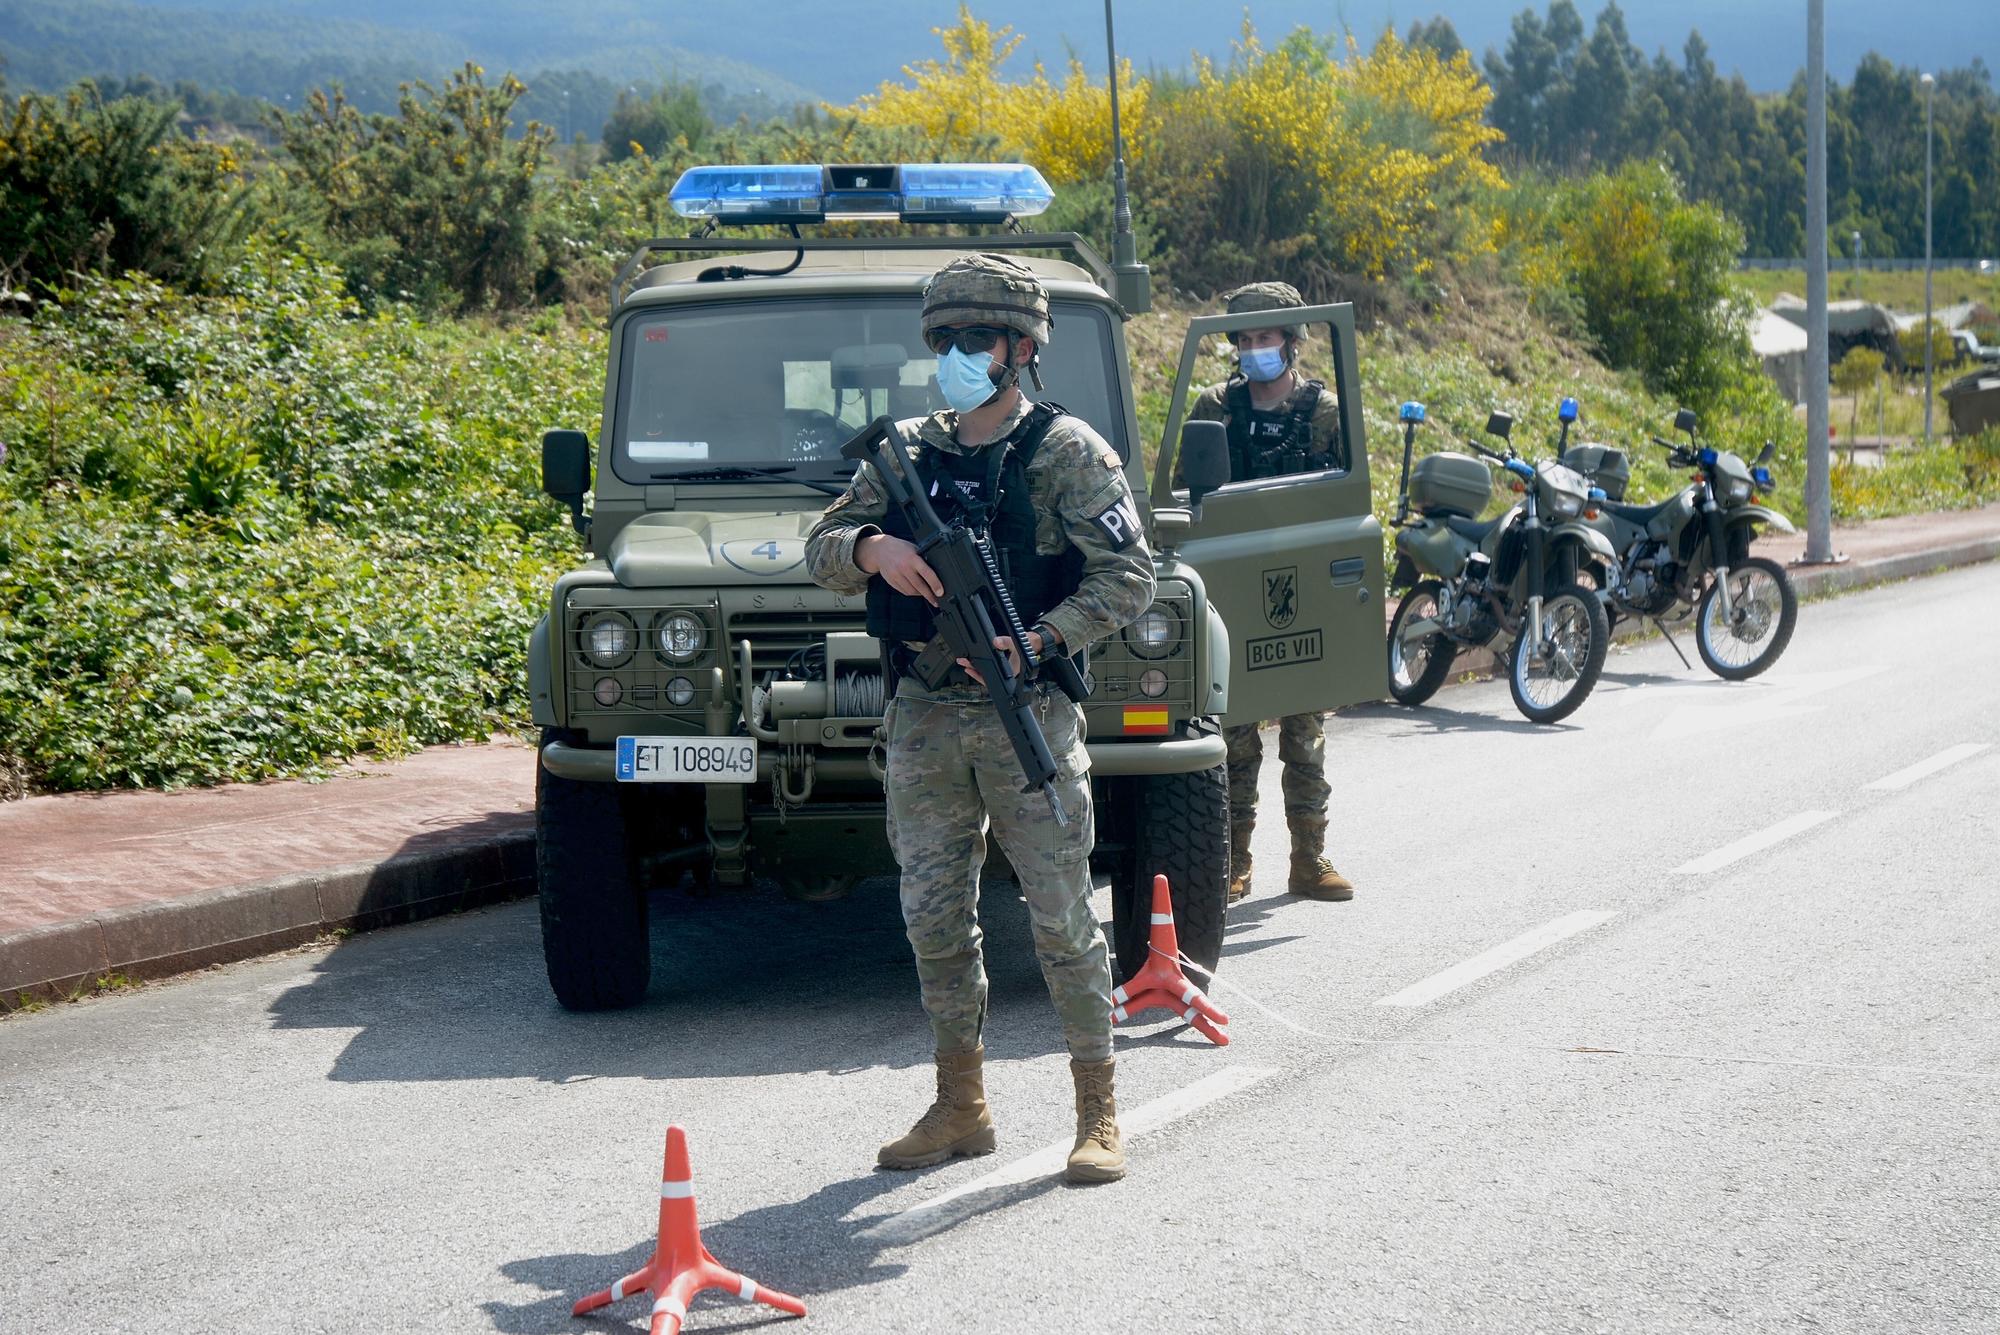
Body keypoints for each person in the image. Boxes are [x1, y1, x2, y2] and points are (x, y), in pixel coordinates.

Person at [805, 254, 1156, 1184]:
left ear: (1023, 348)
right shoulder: (908, 450)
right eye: (947, 339)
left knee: (1061, 918)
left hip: (1025, 711)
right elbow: (822, 546)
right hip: (924, 717)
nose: (959, 355)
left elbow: (1131, 576)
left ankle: (1098, 1111)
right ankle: (961, 1104)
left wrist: (1039, 640)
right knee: (933, 918)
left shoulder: (1068, 451)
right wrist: (873, 548)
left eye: (978, 339)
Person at [1188, 280, 1355, 905]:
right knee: (1233, 731)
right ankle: (1234, 862)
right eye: (1248, 338)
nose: (1257, 348)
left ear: (1292, 341)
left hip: (1302, 576)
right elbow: (1190, 493)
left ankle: (1309, 859)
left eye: (1269, 337)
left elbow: (1348, 494)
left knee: (1305, 730)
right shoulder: (1215, 407)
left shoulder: (1327, 412)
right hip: (1233, 579)